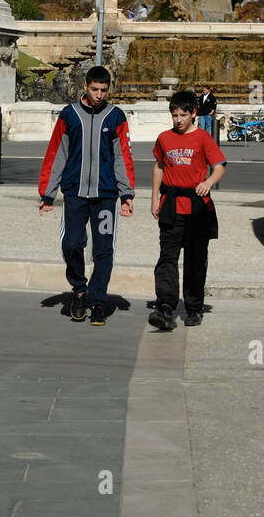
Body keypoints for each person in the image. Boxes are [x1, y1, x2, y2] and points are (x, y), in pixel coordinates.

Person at [38, 65, 135, 326]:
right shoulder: (69, 115)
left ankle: (98, 300)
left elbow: (122, 157)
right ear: (85, 86)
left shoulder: (116, 117)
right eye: (95, 89)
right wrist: (48, 194)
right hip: (75, 194)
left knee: (103, 250)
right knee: (71, 243)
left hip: (105, 196)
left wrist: (126, 194)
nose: (99, 94)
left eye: (104, 90)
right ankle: (79, 290)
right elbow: (57, 153)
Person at [149, 90, 226, 331]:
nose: (178, 120)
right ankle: (165, 306)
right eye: (174, 115)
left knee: (195, 259)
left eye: (183, 115)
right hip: (171, 203)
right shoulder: (164, 138)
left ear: (194, 113)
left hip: (197, 205)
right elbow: (159, 167)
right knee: (167, 257)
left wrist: (209, 182)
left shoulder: (203, 138)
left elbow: (220, 166)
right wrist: (154, 198)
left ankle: (193, 307)